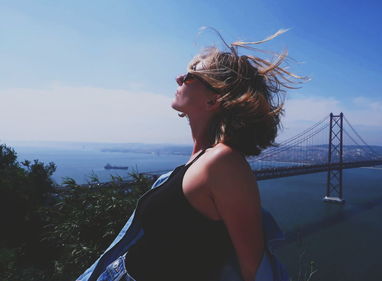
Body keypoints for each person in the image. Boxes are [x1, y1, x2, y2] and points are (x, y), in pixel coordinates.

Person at [77, 29, 305, 281]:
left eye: (189, 76)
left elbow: (254, 268)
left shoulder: (224, 163)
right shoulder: (201, 159)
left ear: (213, 100)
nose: (178, 78)